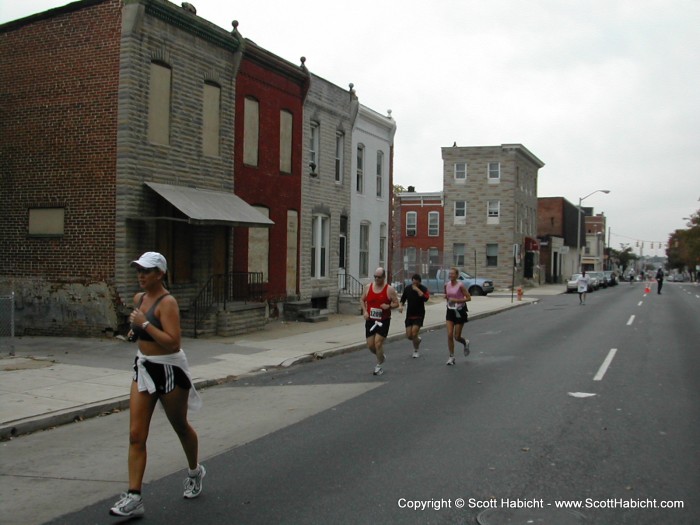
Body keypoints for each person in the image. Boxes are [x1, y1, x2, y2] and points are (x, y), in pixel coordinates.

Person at [110, 252, 205, 518]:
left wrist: (145, 325)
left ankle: (195, 471)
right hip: (144, 368)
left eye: (146, 270)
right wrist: (135, 330)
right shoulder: (139, 298)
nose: (140, 275)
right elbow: (142, 328)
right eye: (138, 269)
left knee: (180, 426)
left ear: (160, 274)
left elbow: (174, 342)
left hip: (169, 370)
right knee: (136, 434)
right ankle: (134, 497)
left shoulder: (168, 302)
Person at [361, 267, 399, 375]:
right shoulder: (368, 287)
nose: (377, 279)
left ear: (384, 277)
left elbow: (397, 303)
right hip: (370, 320)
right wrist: (365, 311)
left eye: (379, 277)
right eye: (375, 277)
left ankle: (378, 366)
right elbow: (362, 300)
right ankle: (381, 356)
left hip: (383, 321)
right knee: (370, 346)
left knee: (378, 343)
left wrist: (388, 306)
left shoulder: (389, 289)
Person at [444, 267, 471, 366]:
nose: (450, 275)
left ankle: (465, 342)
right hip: (450, 311)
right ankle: (451, 357)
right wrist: (447, 299)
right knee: (449, 334)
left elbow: (468, 298)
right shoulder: (446, 285)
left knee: (457, 336)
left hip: (460, 311)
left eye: (452, 274)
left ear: (456, 275)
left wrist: (457, 301)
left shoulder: (460, 285)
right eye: (449, 274)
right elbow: (447, 295)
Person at [399, 273, 430, 358]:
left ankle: (416, 350)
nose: (414, 284)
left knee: (414, 332)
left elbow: (426, 298)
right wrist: (400, 306)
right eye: (413, 282)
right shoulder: (408, 288)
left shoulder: (423, 289)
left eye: (416, 283)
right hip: (409, 314)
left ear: (419, 282)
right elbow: (403, 299)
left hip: (419, 314)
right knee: (409, 336)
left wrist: (417, 289)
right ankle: (418, 340)